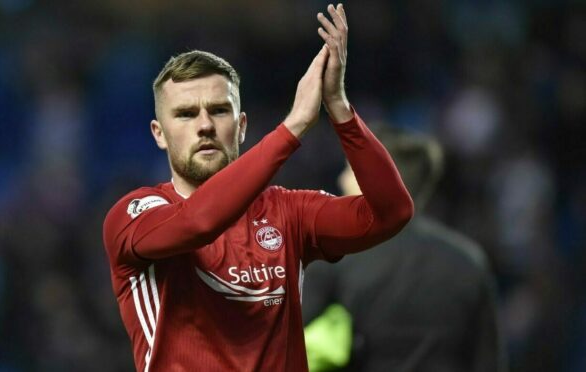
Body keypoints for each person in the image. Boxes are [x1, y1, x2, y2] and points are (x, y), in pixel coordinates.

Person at [102, 4, 414, 371]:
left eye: (219, 111)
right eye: (186, 114)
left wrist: (340, 109)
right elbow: (199, 222)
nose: (204, 125)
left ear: (243, 125)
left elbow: (392, 212)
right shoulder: (134, 214)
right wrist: (292, 127)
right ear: (159, 134)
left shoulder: (288, 212)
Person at [303, 128, 506, 372]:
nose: (341, 181)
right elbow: (488, 363)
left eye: (350, 171)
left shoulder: (336, 257)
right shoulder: (469, 261)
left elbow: (284, 343)